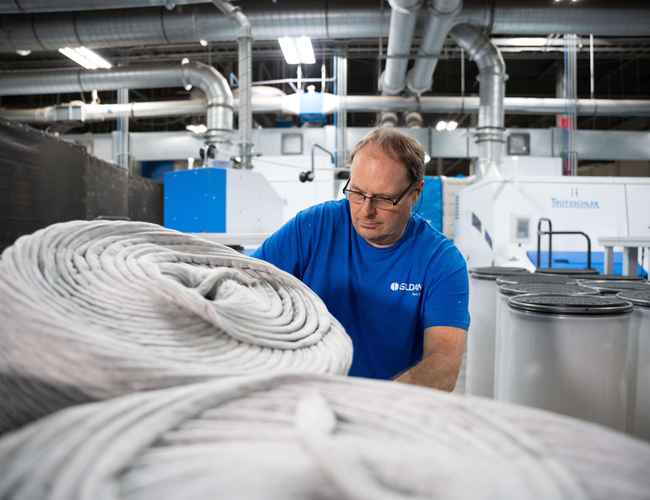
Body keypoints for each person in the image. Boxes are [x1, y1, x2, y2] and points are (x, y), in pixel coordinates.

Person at [253, 127, 469, 390]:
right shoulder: (313, 228)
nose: (366, 210)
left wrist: (373, 406)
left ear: (415, 193)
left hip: (390, 403)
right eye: (356, 193)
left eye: (383, 198)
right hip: (306, 392)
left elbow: (443, 364)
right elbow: (248, 284)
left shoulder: (441, 262)